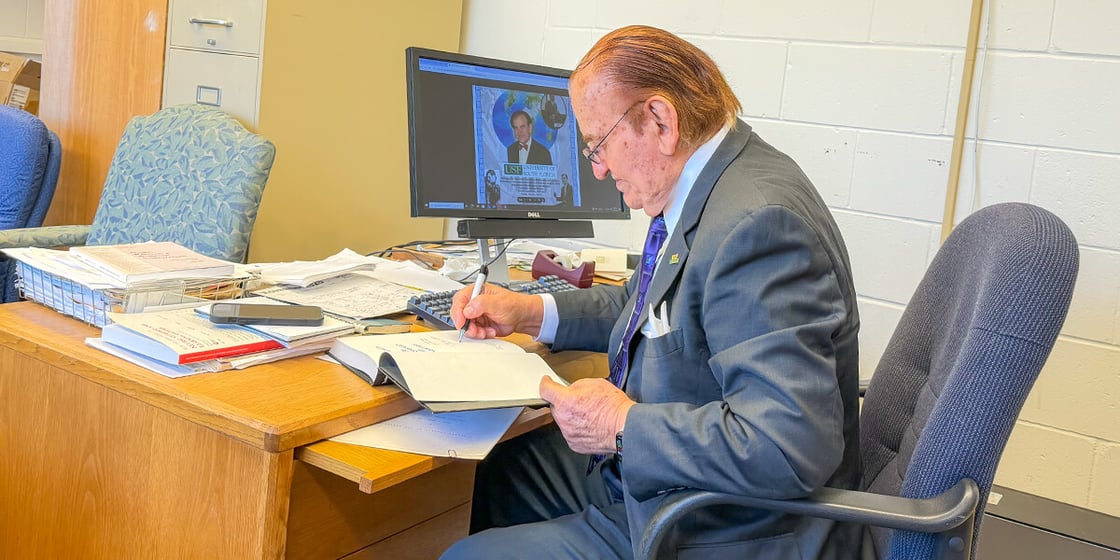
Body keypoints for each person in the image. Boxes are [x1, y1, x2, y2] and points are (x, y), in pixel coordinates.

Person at [444, 25, 861, 559]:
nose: (597, 168)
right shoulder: (711, 183)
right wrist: (528, 311)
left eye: (598, 144)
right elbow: (646, 304)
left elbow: (786, 445)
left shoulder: (757, 225)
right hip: (679, 478)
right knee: (506, 469)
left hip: (727, 524)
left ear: (660, 121)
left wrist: (620, 424)